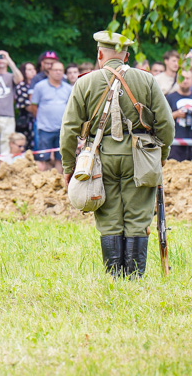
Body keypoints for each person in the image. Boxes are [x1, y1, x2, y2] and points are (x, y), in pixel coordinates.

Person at [61, 31, 174, 279]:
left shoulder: (84, 83)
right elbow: (166, 124)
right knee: (136, 219)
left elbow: (69, 130)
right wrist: (161, 155)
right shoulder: (147, 80)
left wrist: (69, 167)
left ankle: (115, 279)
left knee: (110, 219)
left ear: (99, 54)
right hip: (141, 158)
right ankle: (134, 280)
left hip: (99, 158)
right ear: (126, 55)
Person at [30, 61, 71, 172]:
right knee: (43, 158)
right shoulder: (40, 86)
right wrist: (40, 120)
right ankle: (44, 180)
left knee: (60, 158)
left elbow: (71, 108)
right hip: (45, 128)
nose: (58, 72)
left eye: (61, 70)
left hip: (62, 129)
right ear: (49, 72)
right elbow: (34, 106)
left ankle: (57, 181)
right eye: (55, 70)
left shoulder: (68, 88)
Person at [15, 62, 36, 147]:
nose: (33, 71)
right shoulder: (21, 86)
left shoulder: (38, 85)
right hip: (26, 121)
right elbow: (26, 105)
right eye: (29, 69)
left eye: (33, 69)